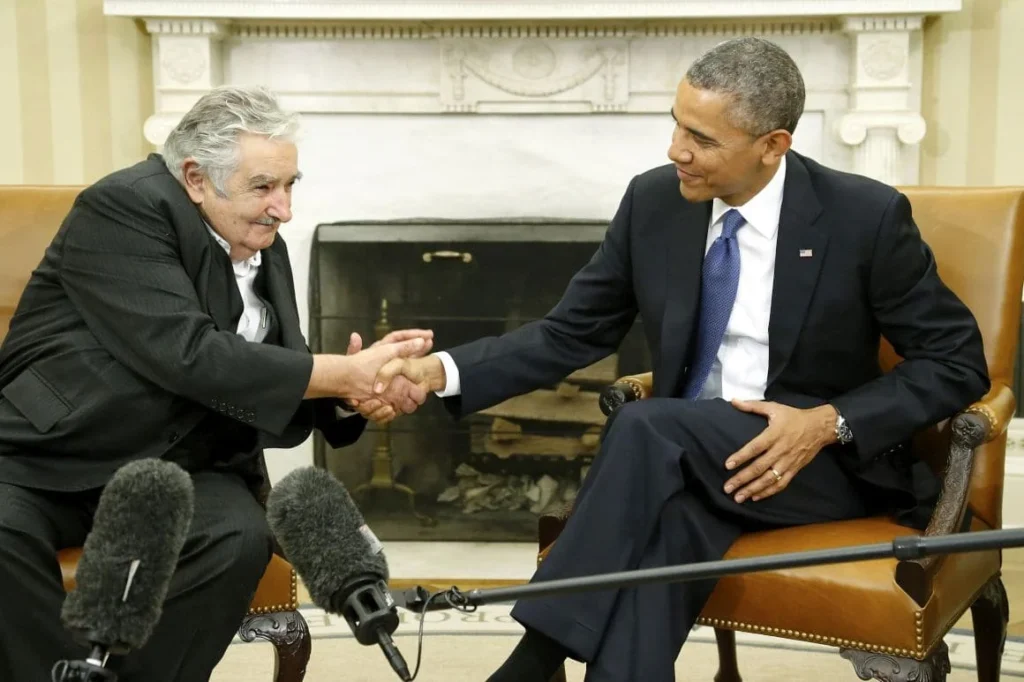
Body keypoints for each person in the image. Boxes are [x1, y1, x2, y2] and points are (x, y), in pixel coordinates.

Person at [368, 37, 990, 681]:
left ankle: (533, 660)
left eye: (703, 138)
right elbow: (569, 333)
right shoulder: (654, 202)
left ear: (772, 145)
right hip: (679, 468)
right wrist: (440, 370)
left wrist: (827, 421)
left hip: (812, 465)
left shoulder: (865, 216)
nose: (676, 151)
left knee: (642, 423)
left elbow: (956, 362)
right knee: (671, 535)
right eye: (676, 124)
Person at [0, 86, 431, 681]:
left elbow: (270, 365)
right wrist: (338, 372)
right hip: (52, 453)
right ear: (196, 177)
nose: (284, 208)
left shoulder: (256, 235)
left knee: (236, 538)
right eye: (264, 187)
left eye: (290, 185)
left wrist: (351, 395)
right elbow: (188, 354)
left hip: (188, 463)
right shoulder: (122, 207)